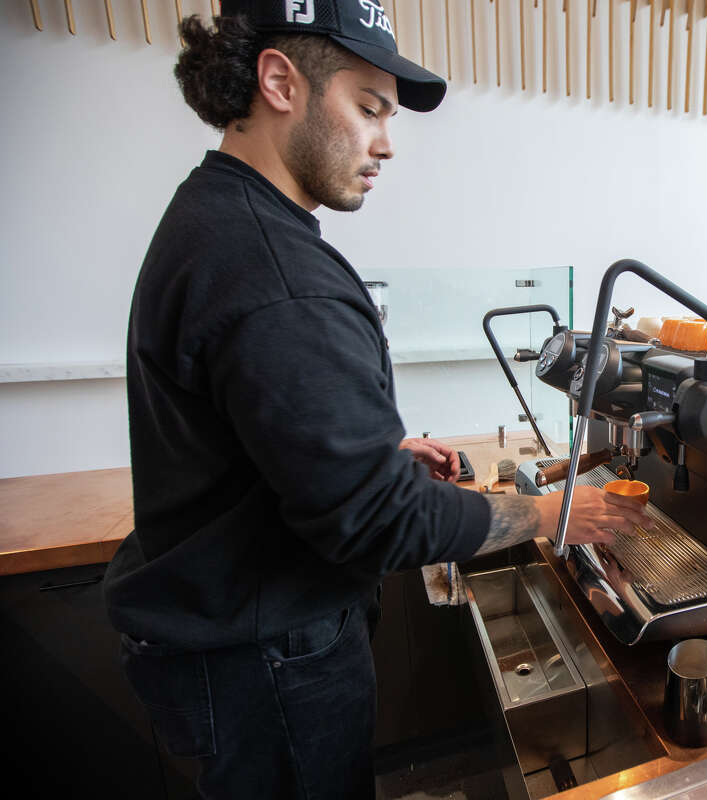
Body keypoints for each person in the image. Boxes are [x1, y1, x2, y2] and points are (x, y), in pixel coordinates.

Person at [101, 2, 650, 797]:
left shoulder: (220, 218)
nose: (387, 144)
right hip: (268, 660)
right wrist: (553, 513)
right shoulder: (273, 271)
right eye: (368, 109)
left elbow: (261, 429)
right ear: (280, 82)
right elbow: (382, 521)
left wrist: (370, 454)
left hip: (234, 638)